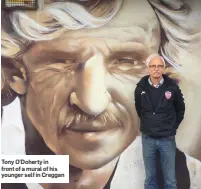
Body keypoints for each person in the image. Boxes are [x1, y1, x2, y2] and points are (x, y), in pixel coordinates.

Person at [1, 0, 201, 189]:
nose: (92, 104)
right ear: (14, 73)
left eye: (126, 62)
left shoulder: (187, 178)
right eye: (61, 62)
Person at [135, 54, 185, 189]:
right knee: (150, 178)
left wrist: (171, 127)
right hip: (148, 139)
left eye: (159, 66)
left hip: (167, 139)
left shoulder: (172, 88)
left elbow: (180, 110)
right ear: (148, 68)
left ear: (163, 68)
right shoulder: (140, 88)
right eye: (153, 66)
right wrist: (149, 123)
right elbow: (139, 110)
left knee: (170, 180)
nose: (156, 69)